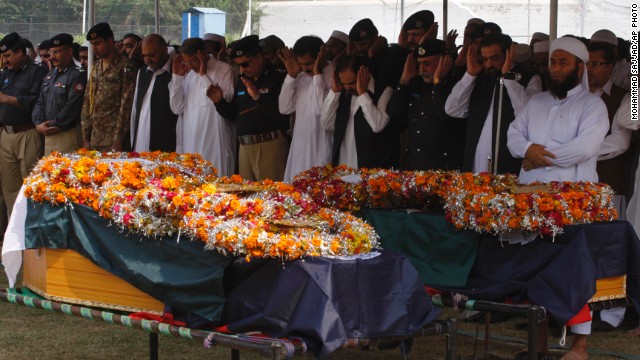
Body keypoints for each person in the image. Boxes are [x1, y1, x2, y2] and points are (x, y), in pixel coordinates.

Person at [507, 37, 609, 359]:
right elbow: (513, 134)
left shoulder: (594, 106)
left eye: (563, 62)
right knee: (536, 270)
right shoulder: (535, 102)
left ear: (580, 67)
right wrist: (526, 150)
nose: (556, 68)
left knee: (575, 273)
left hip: (572, 203)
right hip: (532, 199)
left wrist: (538, 157)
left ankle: (580, 348)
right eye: (553, 62)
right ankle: (538, 344)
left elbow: (585, 148)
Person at [586, 40, 633, 332]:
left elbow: (620, 141)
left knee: (609, 251)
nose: (590, 70)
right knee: (580, 249)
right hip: (576, 187)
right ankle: (580, 310)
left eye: (597, 64)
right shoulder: (572, 97)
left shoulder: (623, 96)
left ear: (611, 67)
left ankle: (611, 313)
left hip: (609, 185)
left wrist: (579, 149)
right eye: (587, 63)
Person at [207, 35, 289, 182]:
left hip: (269, 145)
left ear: (259, 57)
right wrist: (219, 102)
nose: (242, 69)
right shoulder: (242, 80)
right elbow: (236, 116)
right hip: (245, 147)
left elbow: (282, 116)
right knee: (247, 200)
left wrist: (258, 97)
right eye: (238, 65)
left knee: (270, 198)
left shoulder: (278, 78)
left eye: (245, 64)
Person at [445, 33, 525, 175]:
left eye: (494, 58)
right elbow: (453, 110)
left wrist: (509, 78)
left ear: (509, 55)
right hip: (476, 164)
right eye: (485, 59)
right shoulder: (477, 79)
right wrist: (470, 74)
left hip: (507, 166)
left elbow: (525, 113)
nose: (489, 64)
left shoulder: (526, 78)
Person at [387, 39, 464, 171]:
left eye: (427, 64)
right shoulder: (416, 83)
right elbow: (393, 111)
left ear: (443, 61)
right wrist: (404, 80)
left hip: (444, 168)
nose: (422, 69)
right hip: (416, 165)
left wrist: (437, 82)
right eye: (419, 64)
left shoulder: (456, 84)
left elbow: (444, 116)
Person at [169, 37, 236, 176]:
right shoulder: (188, 75)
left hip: (216, 143)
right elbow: (176, 108)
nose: (189, 66)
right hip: (191, 143)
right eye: (186, 62)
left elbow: (226, 105)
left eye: (192, 61)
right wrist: (177, 77)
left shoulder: (224, 70)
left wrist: (204, 75)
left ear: (203, 54)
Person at [0, 32, 48, 218]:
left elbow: (36, 100)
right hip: (6, 134)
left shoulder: (37, 71)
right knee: (10, 187)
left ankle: (33, 231)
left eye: (8, 55)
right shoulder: (6, 73)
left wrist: (7, 99)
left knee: (30, 184)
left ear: (21, 52)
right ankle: (16, 234)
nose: (4, 60)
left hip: (27, 133)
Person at [320, 55, 396, 169]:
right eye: (344, 83)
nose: (347, 87)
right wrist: (334, 93)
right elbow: (327, 124)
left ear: (364, 73)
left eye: (351, 82)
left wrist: (363, 94)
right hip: (343, 166)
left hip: (370, 170)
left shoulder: (384, 91)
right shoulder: (342, 92)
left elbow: (378, 126)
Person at [278, 36, 333, 182]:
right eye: (301, 64)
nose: (304, 68)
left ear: (321, 55)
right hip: (300, 146)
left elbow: (320, 110)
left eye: (308, 63)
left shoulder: (334, 75)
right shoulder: (300, 76)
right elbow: (285, 108)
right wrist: (291, 76)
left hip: (321, 145)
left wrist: (318, 74)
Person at [81, 23, 138, 152]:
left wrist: (118, 139)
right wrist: (85, 137)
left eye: (98, 43)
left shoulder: (126, 66)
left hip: (114, 139)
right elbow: (87, 102)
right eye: (92, 44)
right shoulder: (96, 66)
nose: (94, 48)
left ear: (111, 41)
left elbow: (126, 105)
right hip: (95, 137)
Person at [32, 33, 86, 155]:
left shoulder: (77, 74)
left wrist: (51, 125)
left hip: (66, 134)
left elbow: (72, 107)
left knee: (66, 172)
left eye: (57, 52)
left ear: (69, 51)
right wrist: (38, 123)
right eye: (51, 53)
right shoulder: (50, 75)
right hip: (47, 134)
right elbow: (40, 101)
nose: (52, 57)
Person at [130, 34, 178, 153]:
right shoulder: (142, 72)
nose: (147, 60)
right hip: (140, 141)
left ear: (164, 50)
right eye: (144, 56)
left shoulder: (176, 72)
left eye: (151, 55)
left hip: (166, 145)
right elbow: (135, 109)